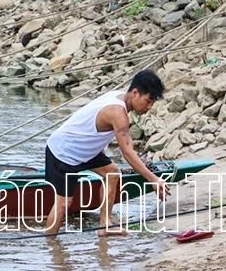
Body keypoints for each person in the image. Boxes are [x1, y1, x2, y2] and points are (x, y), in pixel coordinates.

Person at [43, 69, 170, 236]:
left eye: (152, 103)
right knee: (64, 204)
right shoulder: (118, 112)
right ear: (134, 93)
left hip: (87, 150)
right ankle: (50, 244)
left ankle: (105, 226)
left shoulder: (120, 99)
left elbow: (123, 140)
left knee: (112, 173)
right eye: (148, 101)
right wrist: (153, 179)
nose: (149, 107)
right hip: (63, 152)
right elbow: (127, 153)